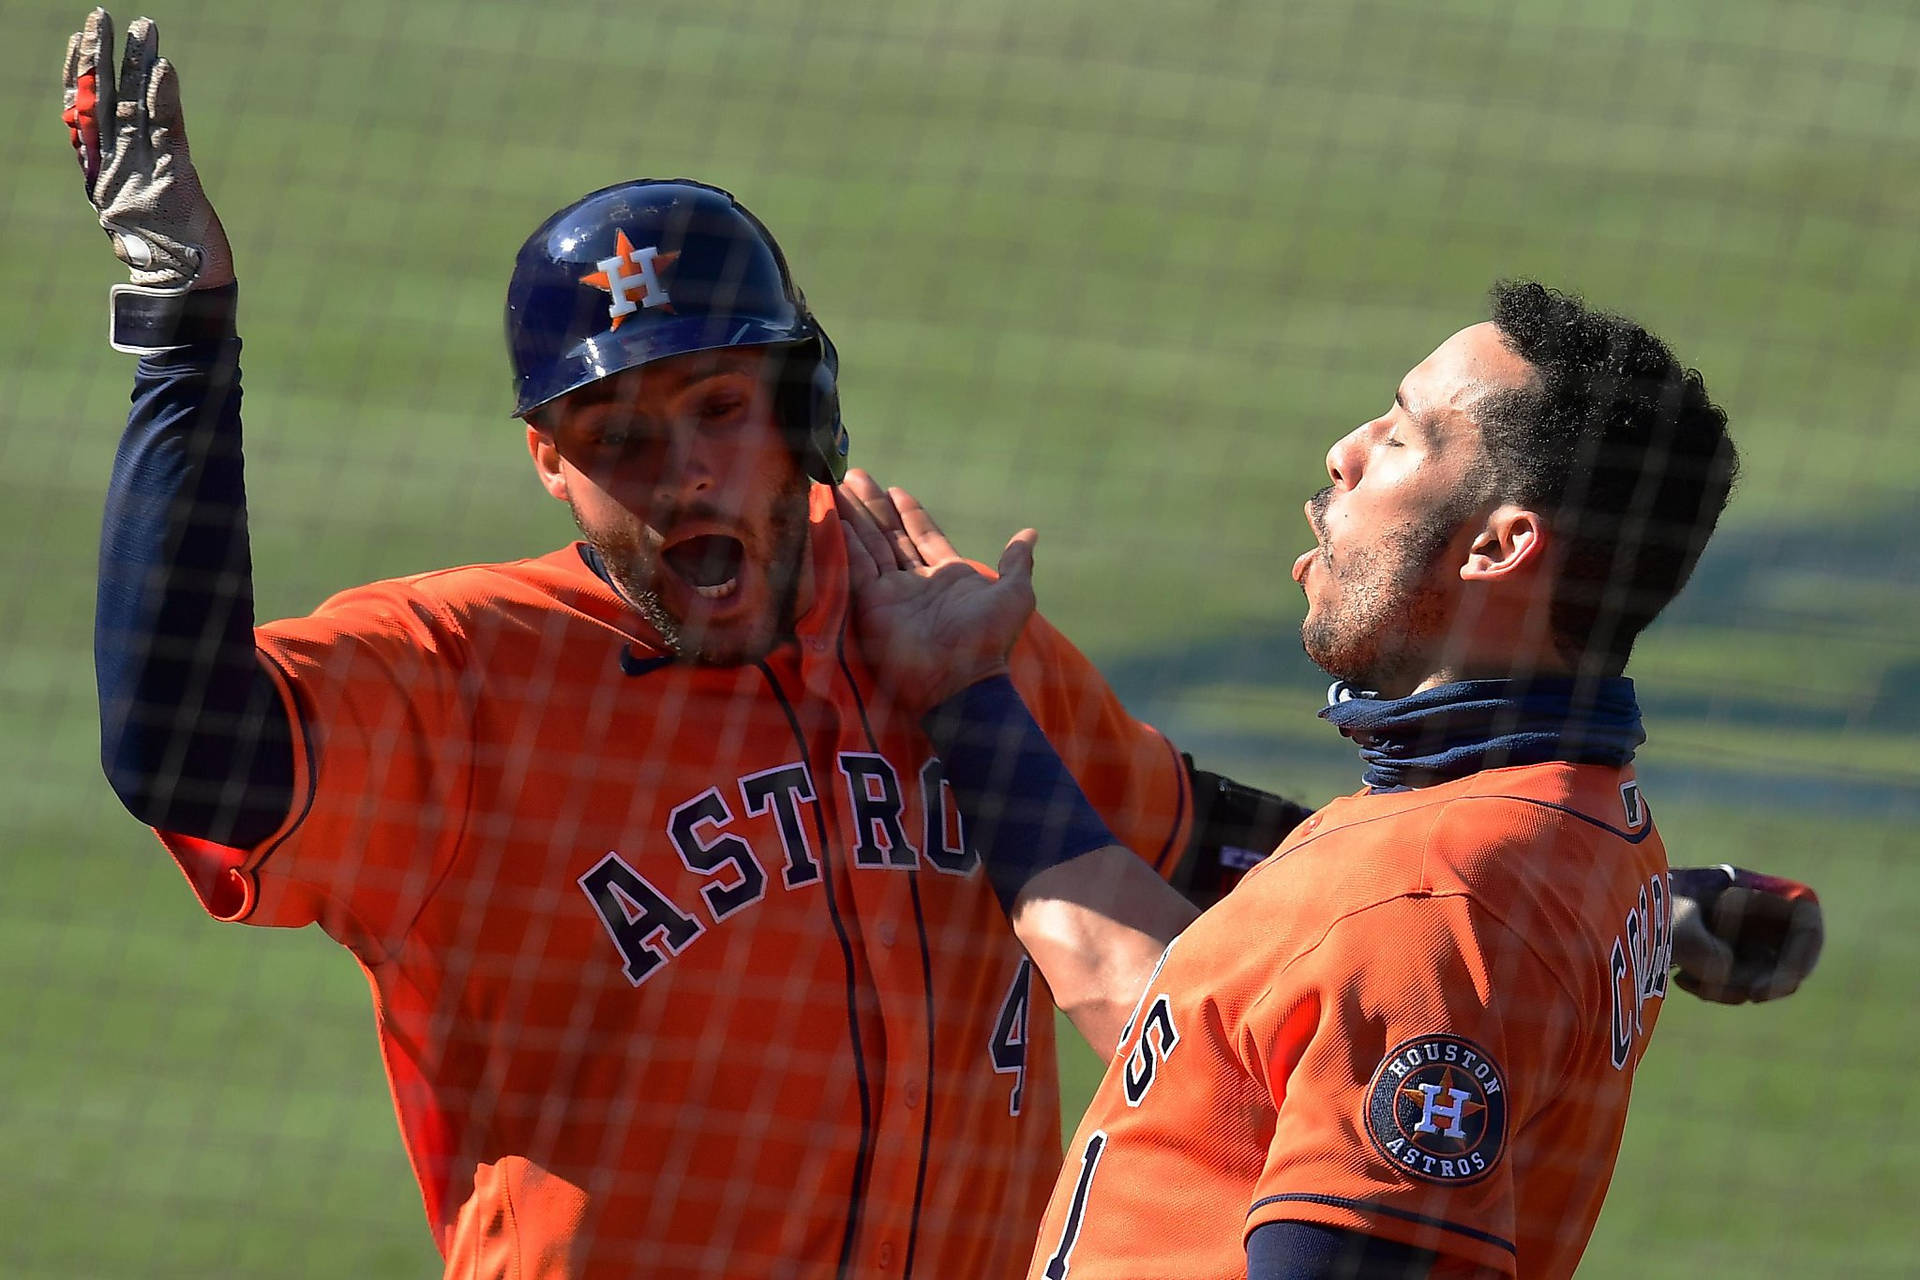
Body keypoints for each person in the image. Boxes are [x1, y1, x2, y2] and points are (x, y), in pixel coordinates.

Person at [63, 9, 1819, 1278]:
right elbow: (190, 759)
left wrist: (1614, 910)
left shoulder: (923, 628)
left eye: (724, 409)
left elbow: (1222, 871)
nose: (683, 472)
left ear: (803, 413)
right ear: (547, 462)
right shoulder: (463, 678)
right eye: (617, 437)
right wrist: (180, 339)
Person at [835, 281, 1823, 1279]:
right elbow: (1188, 1027)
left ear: (1499, 544)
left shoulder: (1428, 898)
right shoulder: (1564, 817)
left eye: (1404, 435)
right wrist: (967, 697)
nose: (1344, 452)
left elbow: (1403, 960)